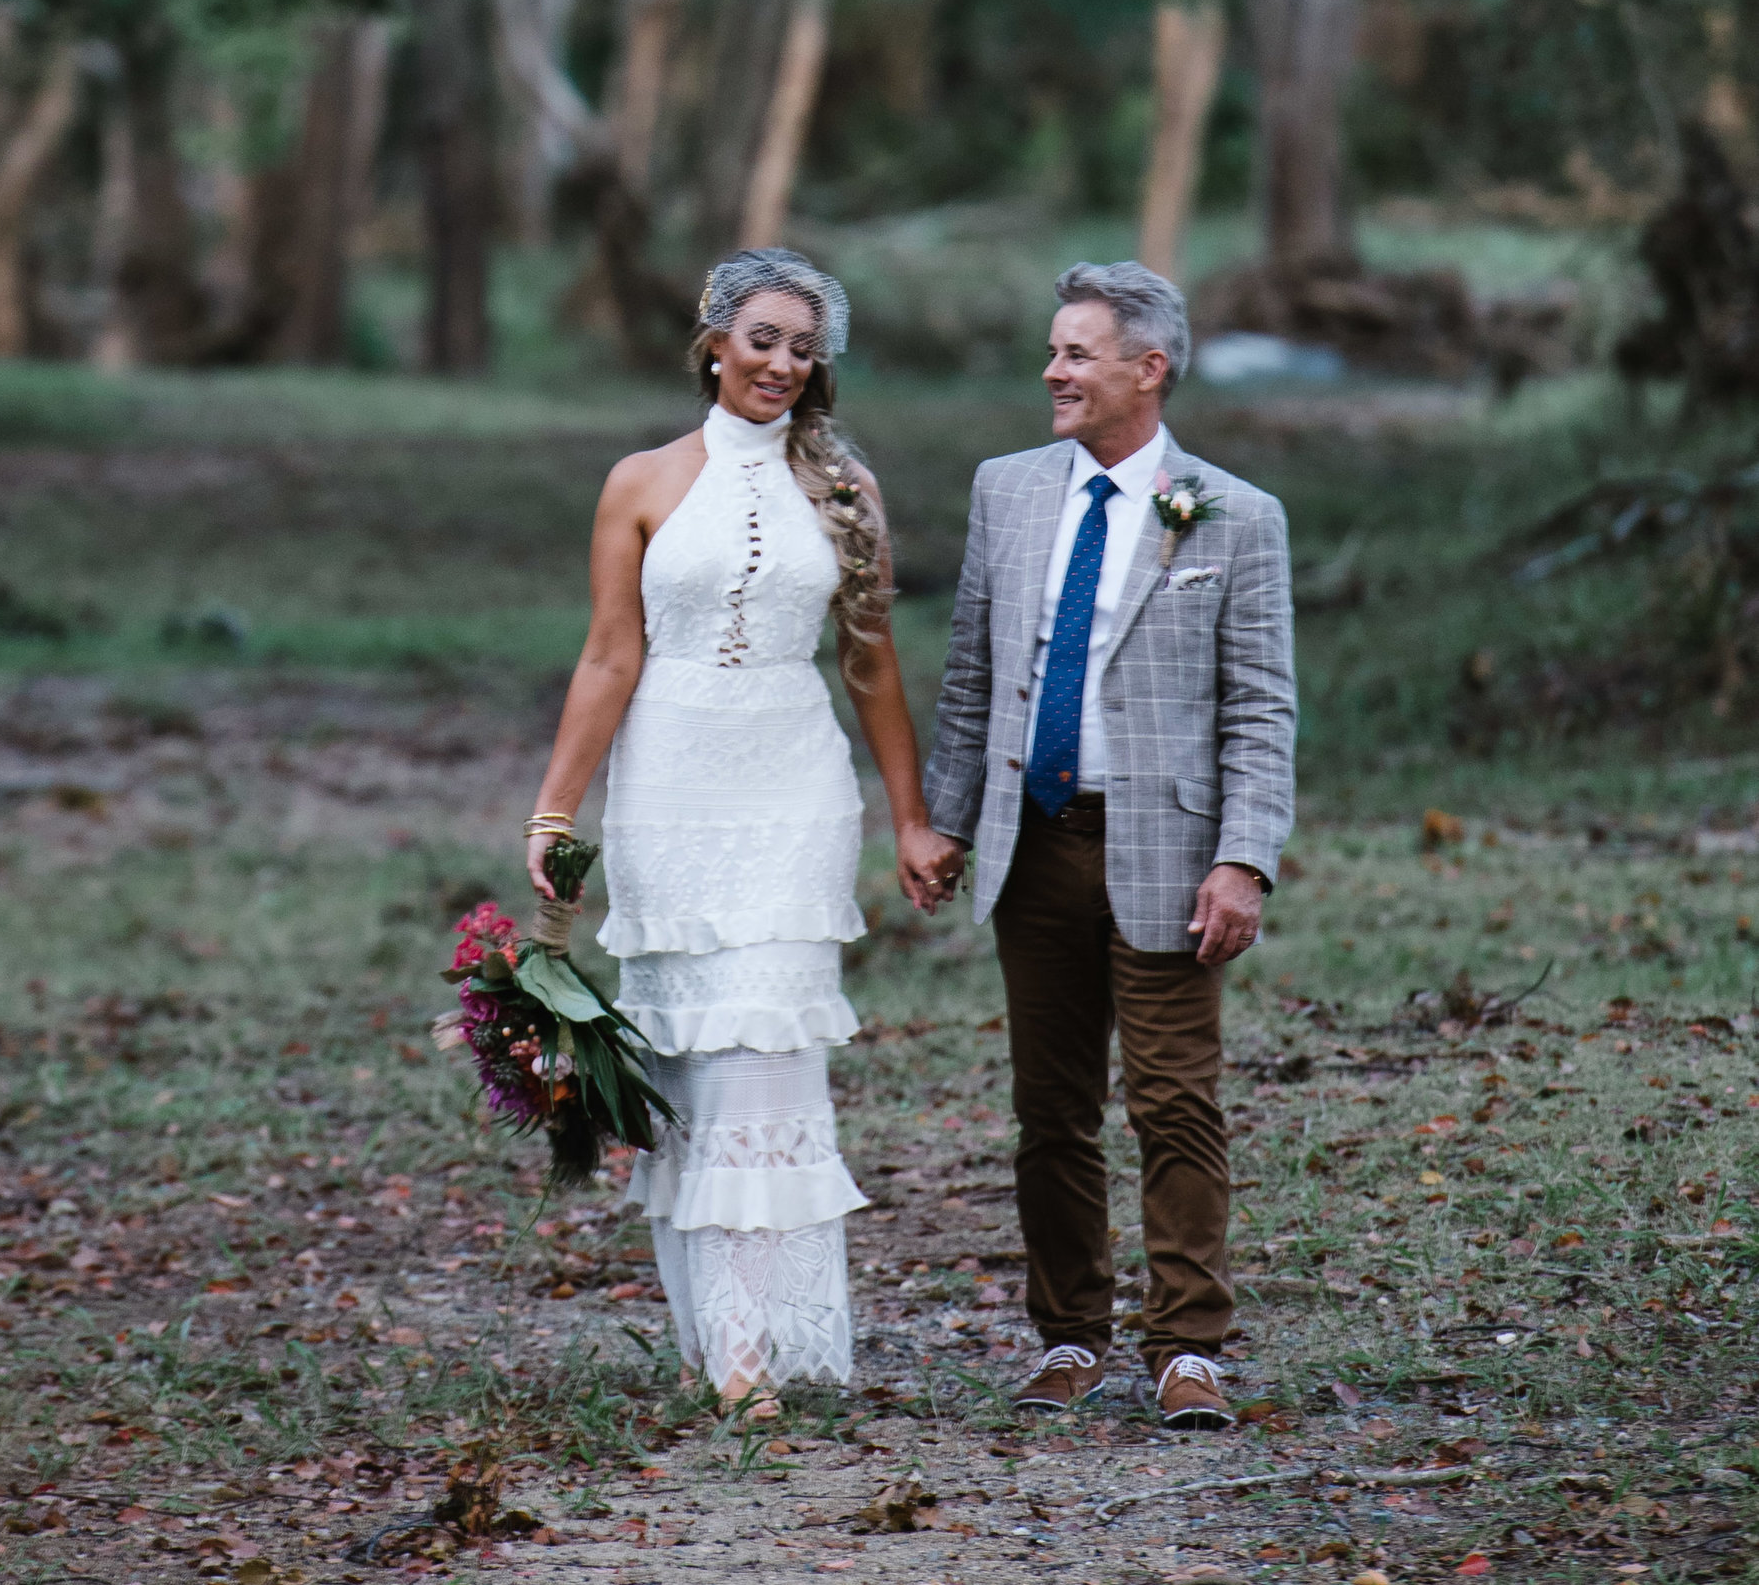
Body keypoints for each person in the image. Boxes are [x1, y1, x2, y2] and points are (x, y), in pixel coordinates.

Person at [524, 247, 941, 1404]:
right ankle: (717, 1340)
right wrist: (555, 807)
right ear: (713, 340)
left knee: (768, 1069)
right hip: (670, 786)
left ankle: (756, 1358)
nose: (781, 364)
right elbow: (610, 653)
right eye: (762, 339)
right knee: (694, 1072)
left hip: (795, 787)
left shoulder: (845, 488)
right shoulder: (642, 481)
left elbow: (869, 661)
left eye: (804, 350)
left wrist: (910, 817)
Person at [912, 260, 1295, 1429]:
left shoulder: (1235, 513)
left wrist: (1245, 855)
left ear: (1148, 366)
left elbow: (1260, 706)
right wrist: (940, 817)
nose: (1053, 372)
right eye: (1051, 349)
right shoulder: (1006, 490)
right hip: (1032, 842)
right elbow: (973, 674)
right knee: (1051, 1107)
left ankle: (1188, 1347)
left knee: (1175, 1099)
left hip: (1168, 852)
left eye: (1076, 352)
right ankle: (1069, 1334)